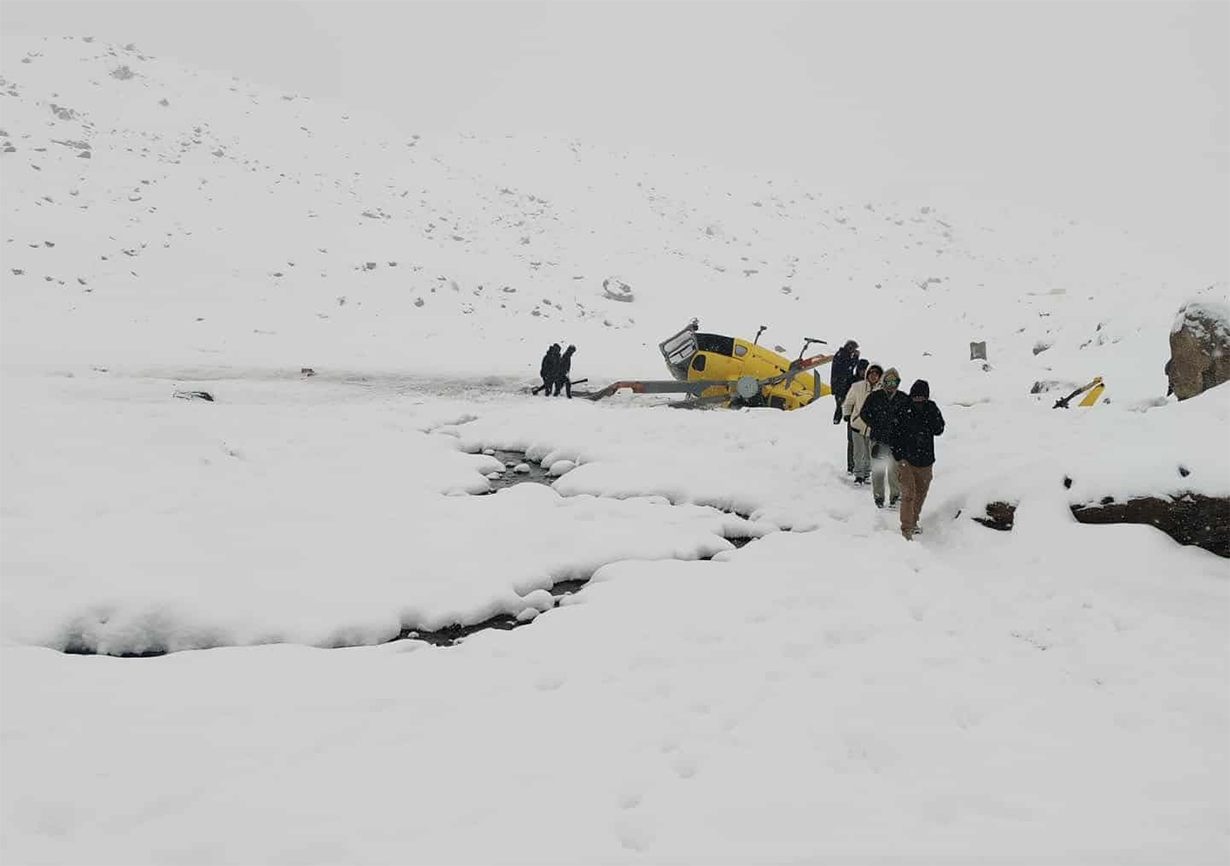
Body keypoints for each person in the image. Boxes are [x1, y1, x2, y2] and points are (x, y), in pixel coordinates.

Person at [893, 380, 945, 540]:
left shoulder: (932, 408)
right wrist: (898, 455)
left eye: (922, 398)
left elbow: (939, 429)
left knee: (921, 493)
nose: (918, 400)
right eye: (915, 397)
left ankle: (914, 521)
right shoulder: (903, 408)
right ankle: (906, 529)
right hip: (906, 459)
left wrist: (930, 416)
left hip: (926, 459)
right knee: (908, 493)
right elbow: (893, 432)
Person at [858, 366, 907, 508]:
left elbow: (910, 418)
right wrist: (876, 424)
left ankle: (895, 496)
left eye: (894, 382)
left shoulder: (903, 398)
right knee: (878, 471)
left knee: (895, 471)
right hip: (878, 440)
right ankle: (879, 497)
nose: (891, 386)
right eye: (888, 382)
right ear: (883, 382)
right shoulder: (875, 397)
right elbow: (864, 413)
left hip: (897, 441)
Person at [842, 363, 881, 485]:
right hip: (857, 424)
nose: (873, 376)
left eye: (876, 374)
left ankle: (866, 473)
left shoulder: (883, 390)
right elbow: (848, 402)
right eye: (871, 373)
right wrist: (847, 414)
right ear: (867, 374)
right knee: (858, 452)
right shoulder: (857, 387)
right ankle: (858, 475)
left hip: (873, 427)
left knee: (870, 452)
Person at [844, 358, 869, 474]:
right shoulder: (852, 381)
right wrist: (847, 413)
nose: (863, 372)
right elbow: (847, 399)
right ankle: (851, 466)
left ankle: (864, 468)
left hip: (868, 418)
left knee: (866, 443)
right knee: (852, 441)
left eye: (865, 370)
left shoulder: (871, 383)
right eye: (861, 370)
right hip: (854, 416)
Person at [829, 340, 860, 424]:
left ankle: (838, 421)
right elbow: (848, 368)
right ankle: (837, 422)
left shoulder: (842, 354)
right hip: (840, 385)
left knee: (842, 404)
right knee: (841, 405)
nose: (854, 351)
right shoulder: (842, 355)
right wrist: (855, 358)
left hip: (841, 385)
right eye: (853, 349)